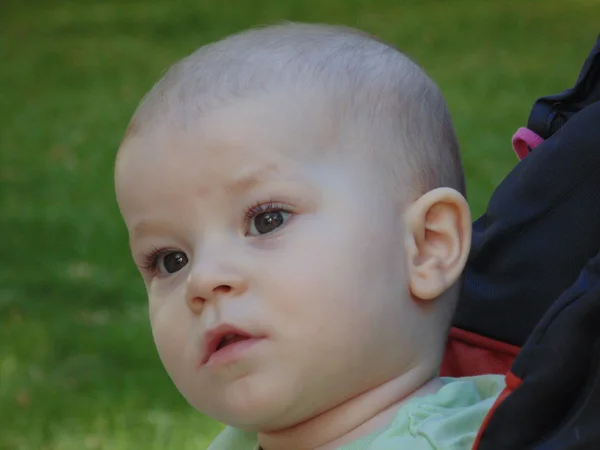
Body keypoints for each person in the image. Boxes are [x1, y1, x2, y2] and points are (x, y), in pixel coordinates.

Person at [114, 23, 505, 450]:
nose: (203, 280)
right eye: (171, 260)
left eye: (267, 221)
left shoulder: (489, 438)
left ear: (427, 247)